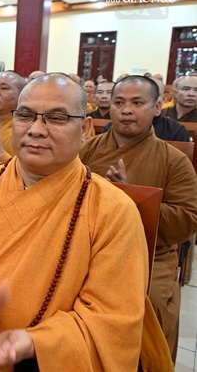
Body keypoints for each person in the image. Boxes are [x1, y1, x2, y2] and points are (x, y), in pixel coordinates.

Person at [0, 73, 166, 371]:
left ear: (85, 129)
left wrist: (32, 345)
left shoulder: (114, 210)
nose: (36, 130)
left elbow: (110, 321)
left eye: (57, 118)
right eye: (25, 116)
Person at [80, 75, 197, 362]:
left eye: (137, 103)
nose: (126, 110)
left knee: (149, 302)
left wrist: (130, 196)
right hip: (87, 245)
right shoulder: (87, 150)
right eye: (119, 102)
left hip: (149, 254)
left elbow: (187, 218)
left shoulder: (174, 160)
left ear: (157, 107)